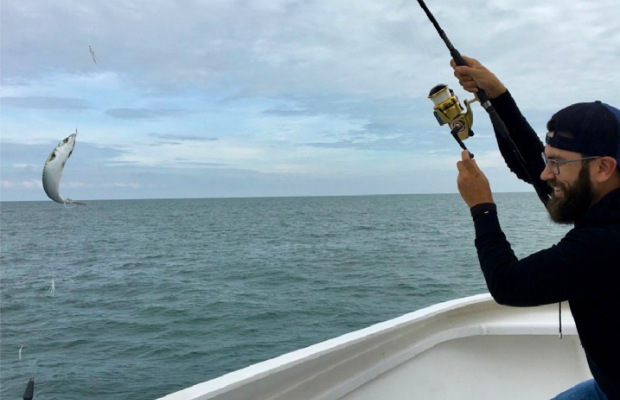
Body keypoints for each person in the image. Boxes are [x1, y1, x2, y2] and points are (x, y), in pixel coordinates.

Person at [451, 56, 620, 400]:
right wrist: (496, 96)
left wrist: (481, 208)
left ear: (603, 167)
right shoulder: (600, 200)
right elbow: (528, 161)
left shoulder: (607, 241)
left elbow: (508, 284)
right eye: (549, 159)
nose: (546, 173)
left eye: (557, 163)